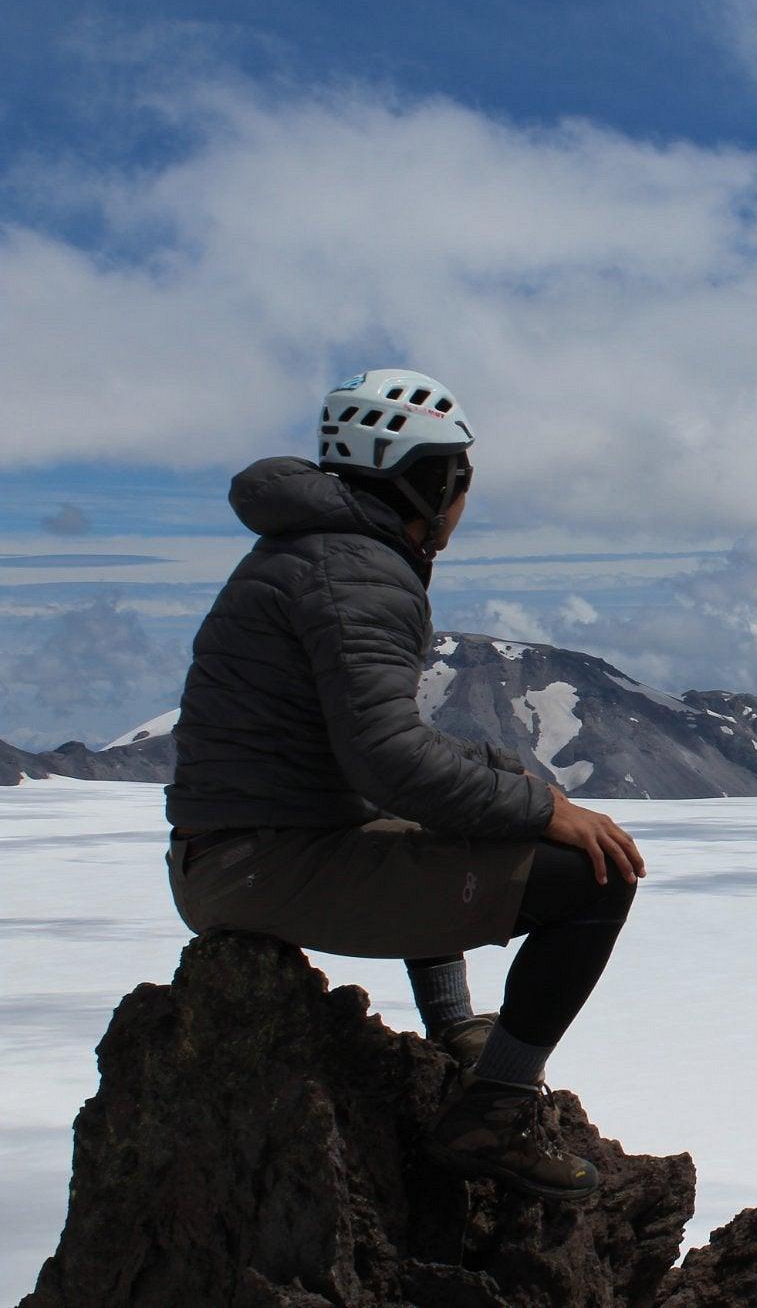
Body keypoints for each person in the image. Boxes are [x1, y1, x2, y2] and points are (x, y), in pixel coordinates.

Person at [164, 368, 645, 1201]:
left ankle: (457, 1026)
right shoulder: (359, 570)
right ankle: (494, 1111)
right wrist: (543, 807)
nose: (464, 498)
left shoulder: (314, 551)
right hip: (258, 865)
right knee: (592, 878)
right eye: (460, 477)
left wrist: (504, 779)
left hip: (238, 850)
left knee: (474, 809)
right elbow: (389, 765)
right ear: (430, 482)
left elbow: (373, 752)